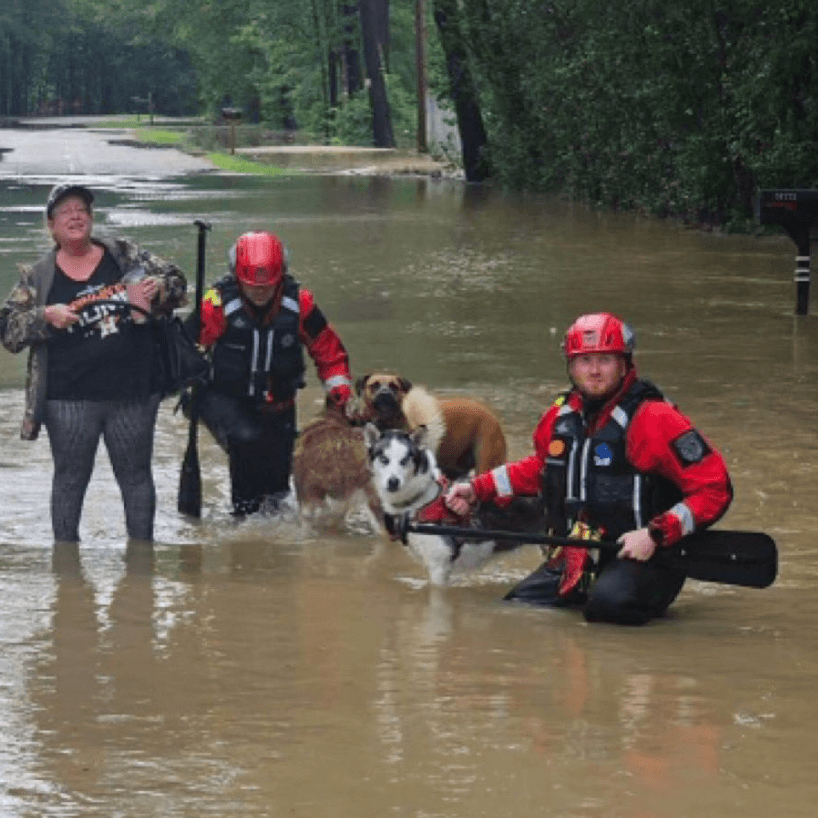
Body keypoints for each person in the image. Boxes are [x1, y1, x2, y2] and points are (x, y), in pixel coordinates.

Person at [444, 312, 733, 625]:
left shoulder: (657, 419)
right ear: (571, 367)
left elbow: (715, 488)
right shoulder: (560, 418)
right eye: (585, 361)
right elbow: (542, 470)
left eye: (605, 360)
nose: (594, 371)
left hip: (649, 552)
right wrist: (477, 488)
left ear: (624, 364)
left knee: (607, 610)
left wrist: (655, 533)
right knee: (519, 609)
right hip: (582, 550)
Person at [0, 183, 187, 542]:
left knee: (136, 479)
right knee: (69, 481)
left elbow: (180, 283)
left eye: (82, 209)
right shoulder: (38, 276)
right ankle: (67, 575)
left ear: (92, 219)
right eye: (65, 211)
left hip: (133, 393)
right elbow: (8, 331)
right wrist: (45, 316)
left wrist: (159, 288)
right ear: (51, 226)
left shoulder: (125, 256)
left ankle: (141, 568)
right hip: (67, 399)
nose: (75, 215)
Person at [193, 229, 353, 516]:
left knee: (278, 486)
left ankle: (272, 539)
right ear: (236, 277)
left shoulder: (300, 305)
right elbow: (188, 346)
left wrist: (338, 388)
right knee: (246, 444)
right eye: (251, 286)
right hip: (229, 402)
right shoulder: (215, 305)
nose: (259, 292)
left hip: (279, 404)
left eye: (266, 286)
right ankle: (243, 520)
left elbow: (328, 351)